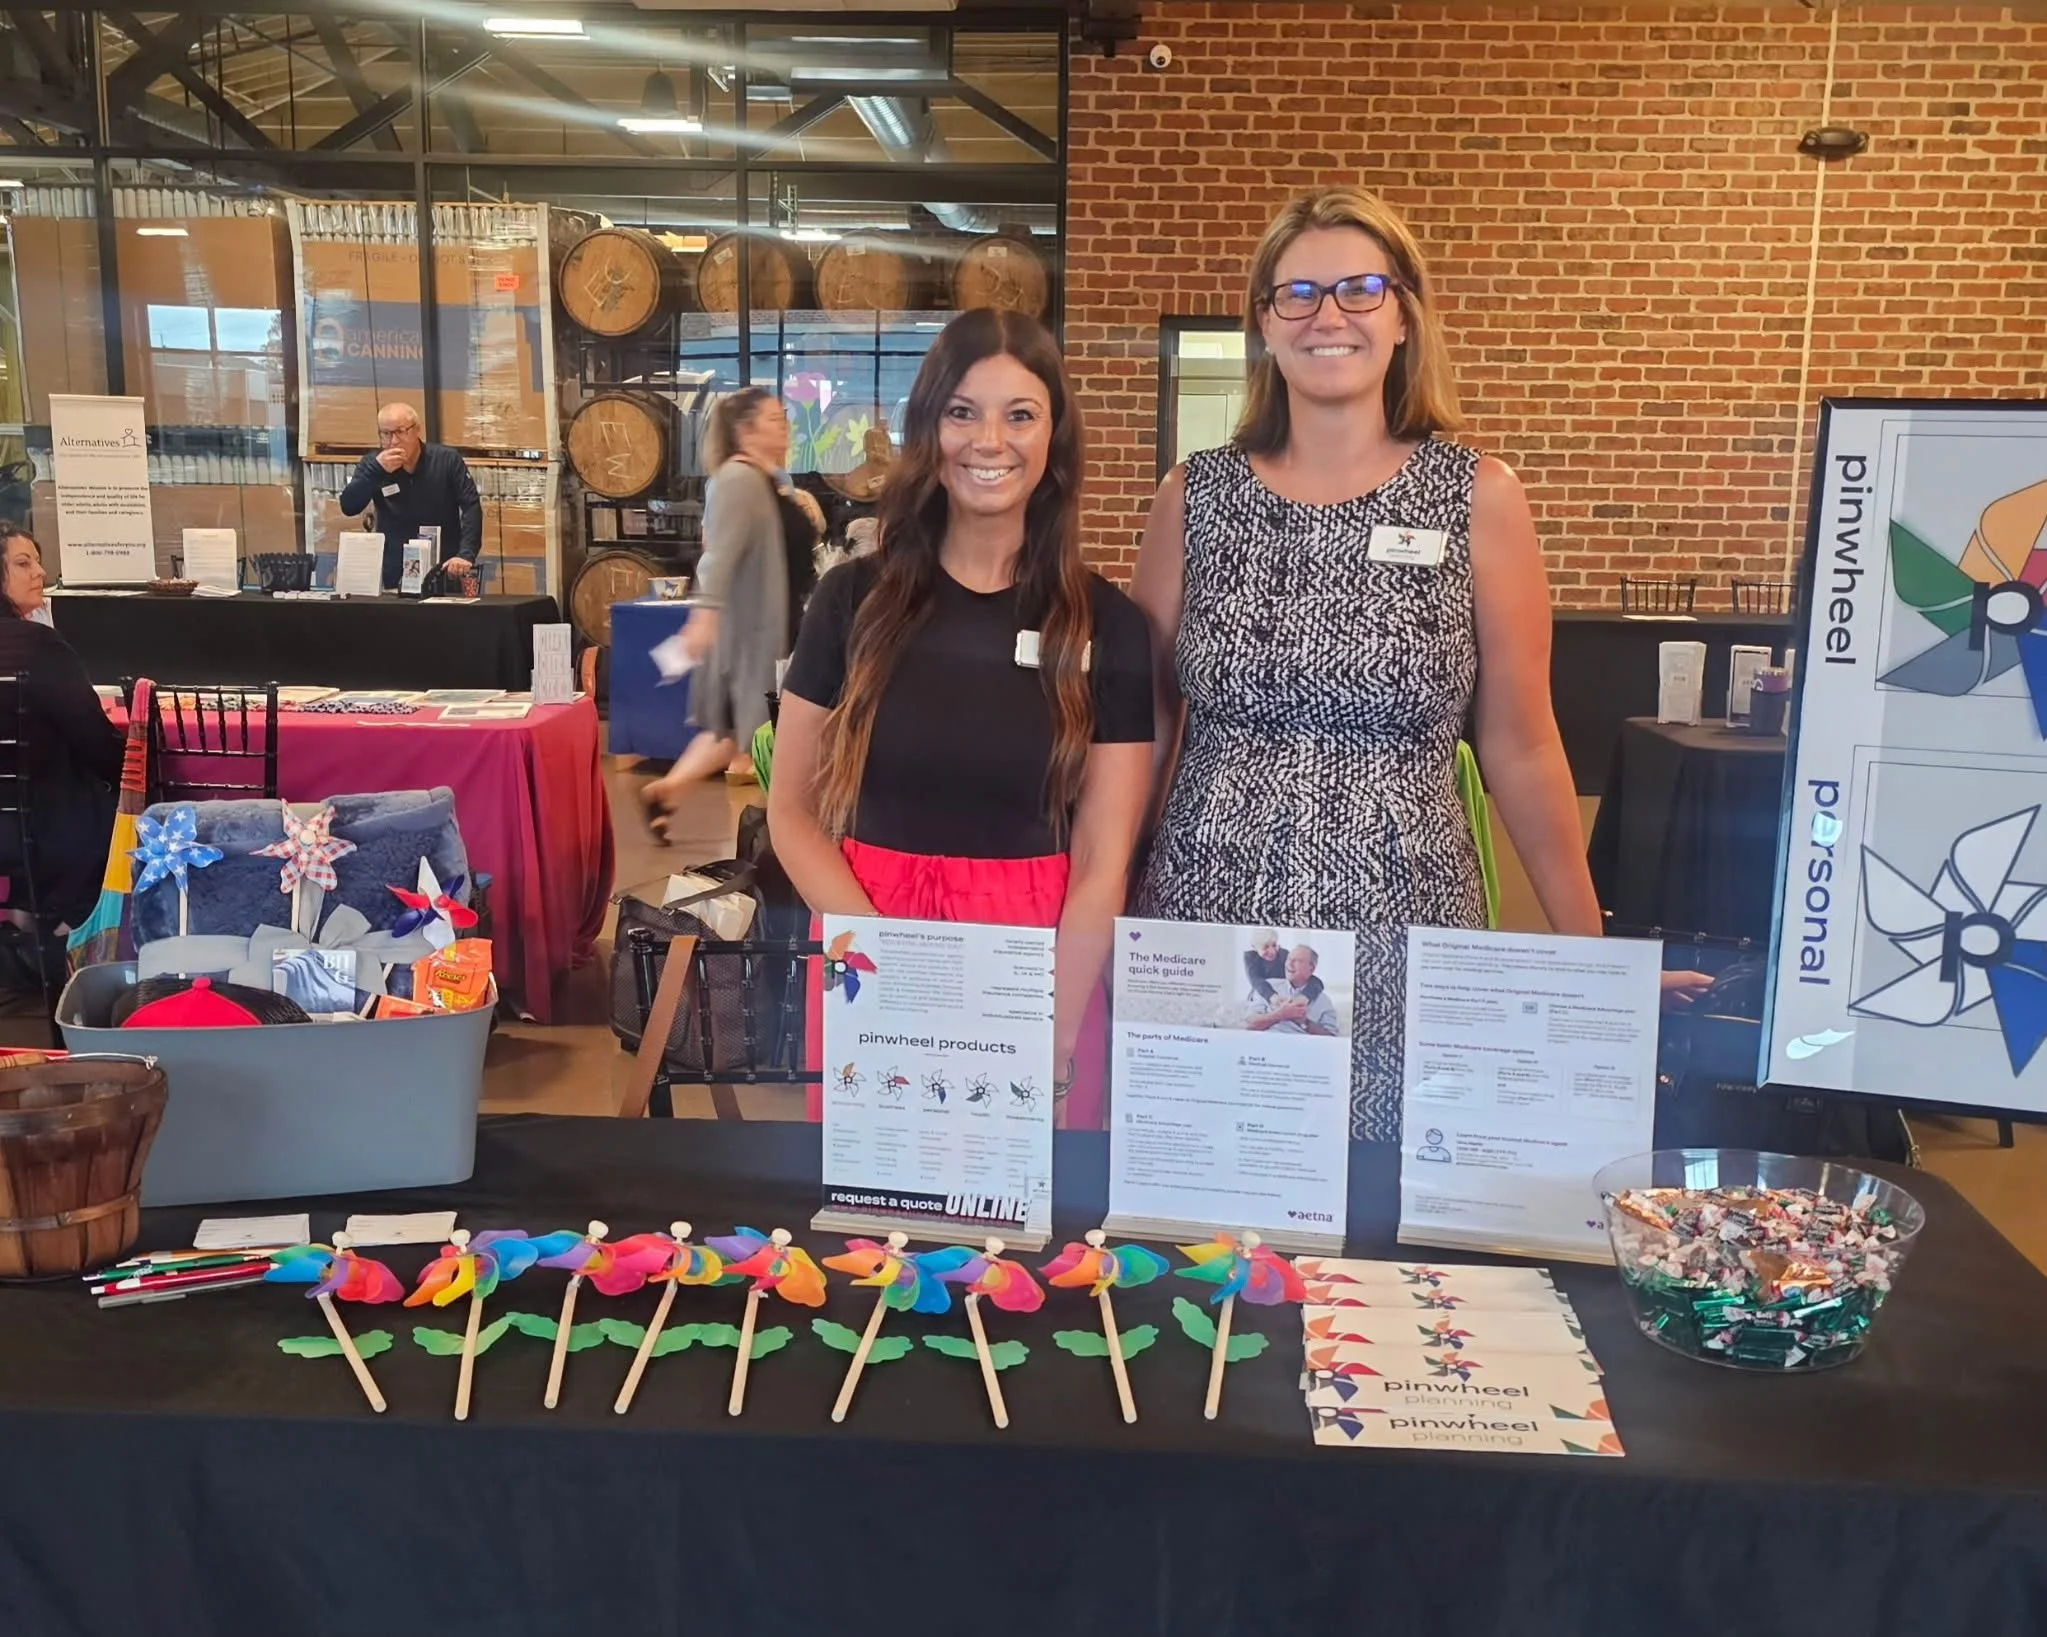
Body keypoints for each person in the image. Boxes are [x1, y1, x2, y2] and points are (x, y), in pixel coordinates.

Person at [1133, 186, 1612, 1141]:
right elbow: (1142, 733)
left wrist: (1589, 957)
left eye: (1359, 288)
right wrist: (1099, 912)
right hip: (1209, 904)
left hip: (1406, 914)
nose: (1328, 315)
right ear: (1264, 325)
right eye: (1297, 294)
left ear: (1402, 315)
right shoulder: (1193, 496)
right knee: (1211, 1201)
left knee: (1390, 1208)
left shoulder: (1476, 494)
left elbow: (1519, 741)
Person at [770, 309, 1154, 1128]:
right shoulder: (851, 601)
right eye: (962, 412)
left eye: (1020, 414)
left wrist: (1053, 1031)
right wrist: (884, 963)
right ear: (928, 428)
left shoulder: (1106, 625)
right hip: (867, 932)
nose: (990, 440)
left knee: (1028, 1241)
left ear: (1053, 437)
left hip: (1039, 959)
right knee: (869, 1234)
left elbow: (1100, 858)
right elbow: (792, 814)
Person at [641, 388, 817, 832]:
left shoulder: (764, 480)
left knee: (730, 728)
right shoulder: (738, 480)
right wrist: (704, 617)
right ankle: (777, 835)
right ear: (746, 431)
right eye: (775, 420)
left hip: (773, 623)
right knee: (762, 730)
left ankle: (668, 791)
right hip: (756, 632)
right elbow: (716, 556)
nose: (785, 429)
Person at [0, 526, 123, 933]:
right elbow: (97, 742)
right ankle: (70, 939)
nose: (39, 572)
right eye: (23, 563)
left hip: (16, 822)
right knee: (108, 798)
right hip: (41, 830)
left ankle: (25, 922)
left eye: (37, 561)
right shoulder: (37, 644)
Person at [336, 403, 481, 590]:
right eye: (386, 434)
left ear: (417, 430)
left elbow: (471, 506)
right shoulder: (373, 465)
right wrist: (376, 471)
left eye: (400, 432)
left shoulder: (446, 460)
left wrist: (466, 554)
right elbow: (349, 506)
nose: (393, 441)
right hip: (396, 571)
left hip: (445, 568)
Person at [1246, 945, 1340, 1036]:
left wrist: (1304, 1022)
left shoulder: (1323, 1000)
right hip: (1268, 1043)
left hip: (1303, 1046)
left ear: (1311, 968)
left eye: (1297, 961)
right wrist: (1279, 1014)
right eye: (1289, 959)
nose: (1290, 964)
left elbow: (1331, 1037)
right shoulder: (1268, 986)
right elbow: (1249, 1025)